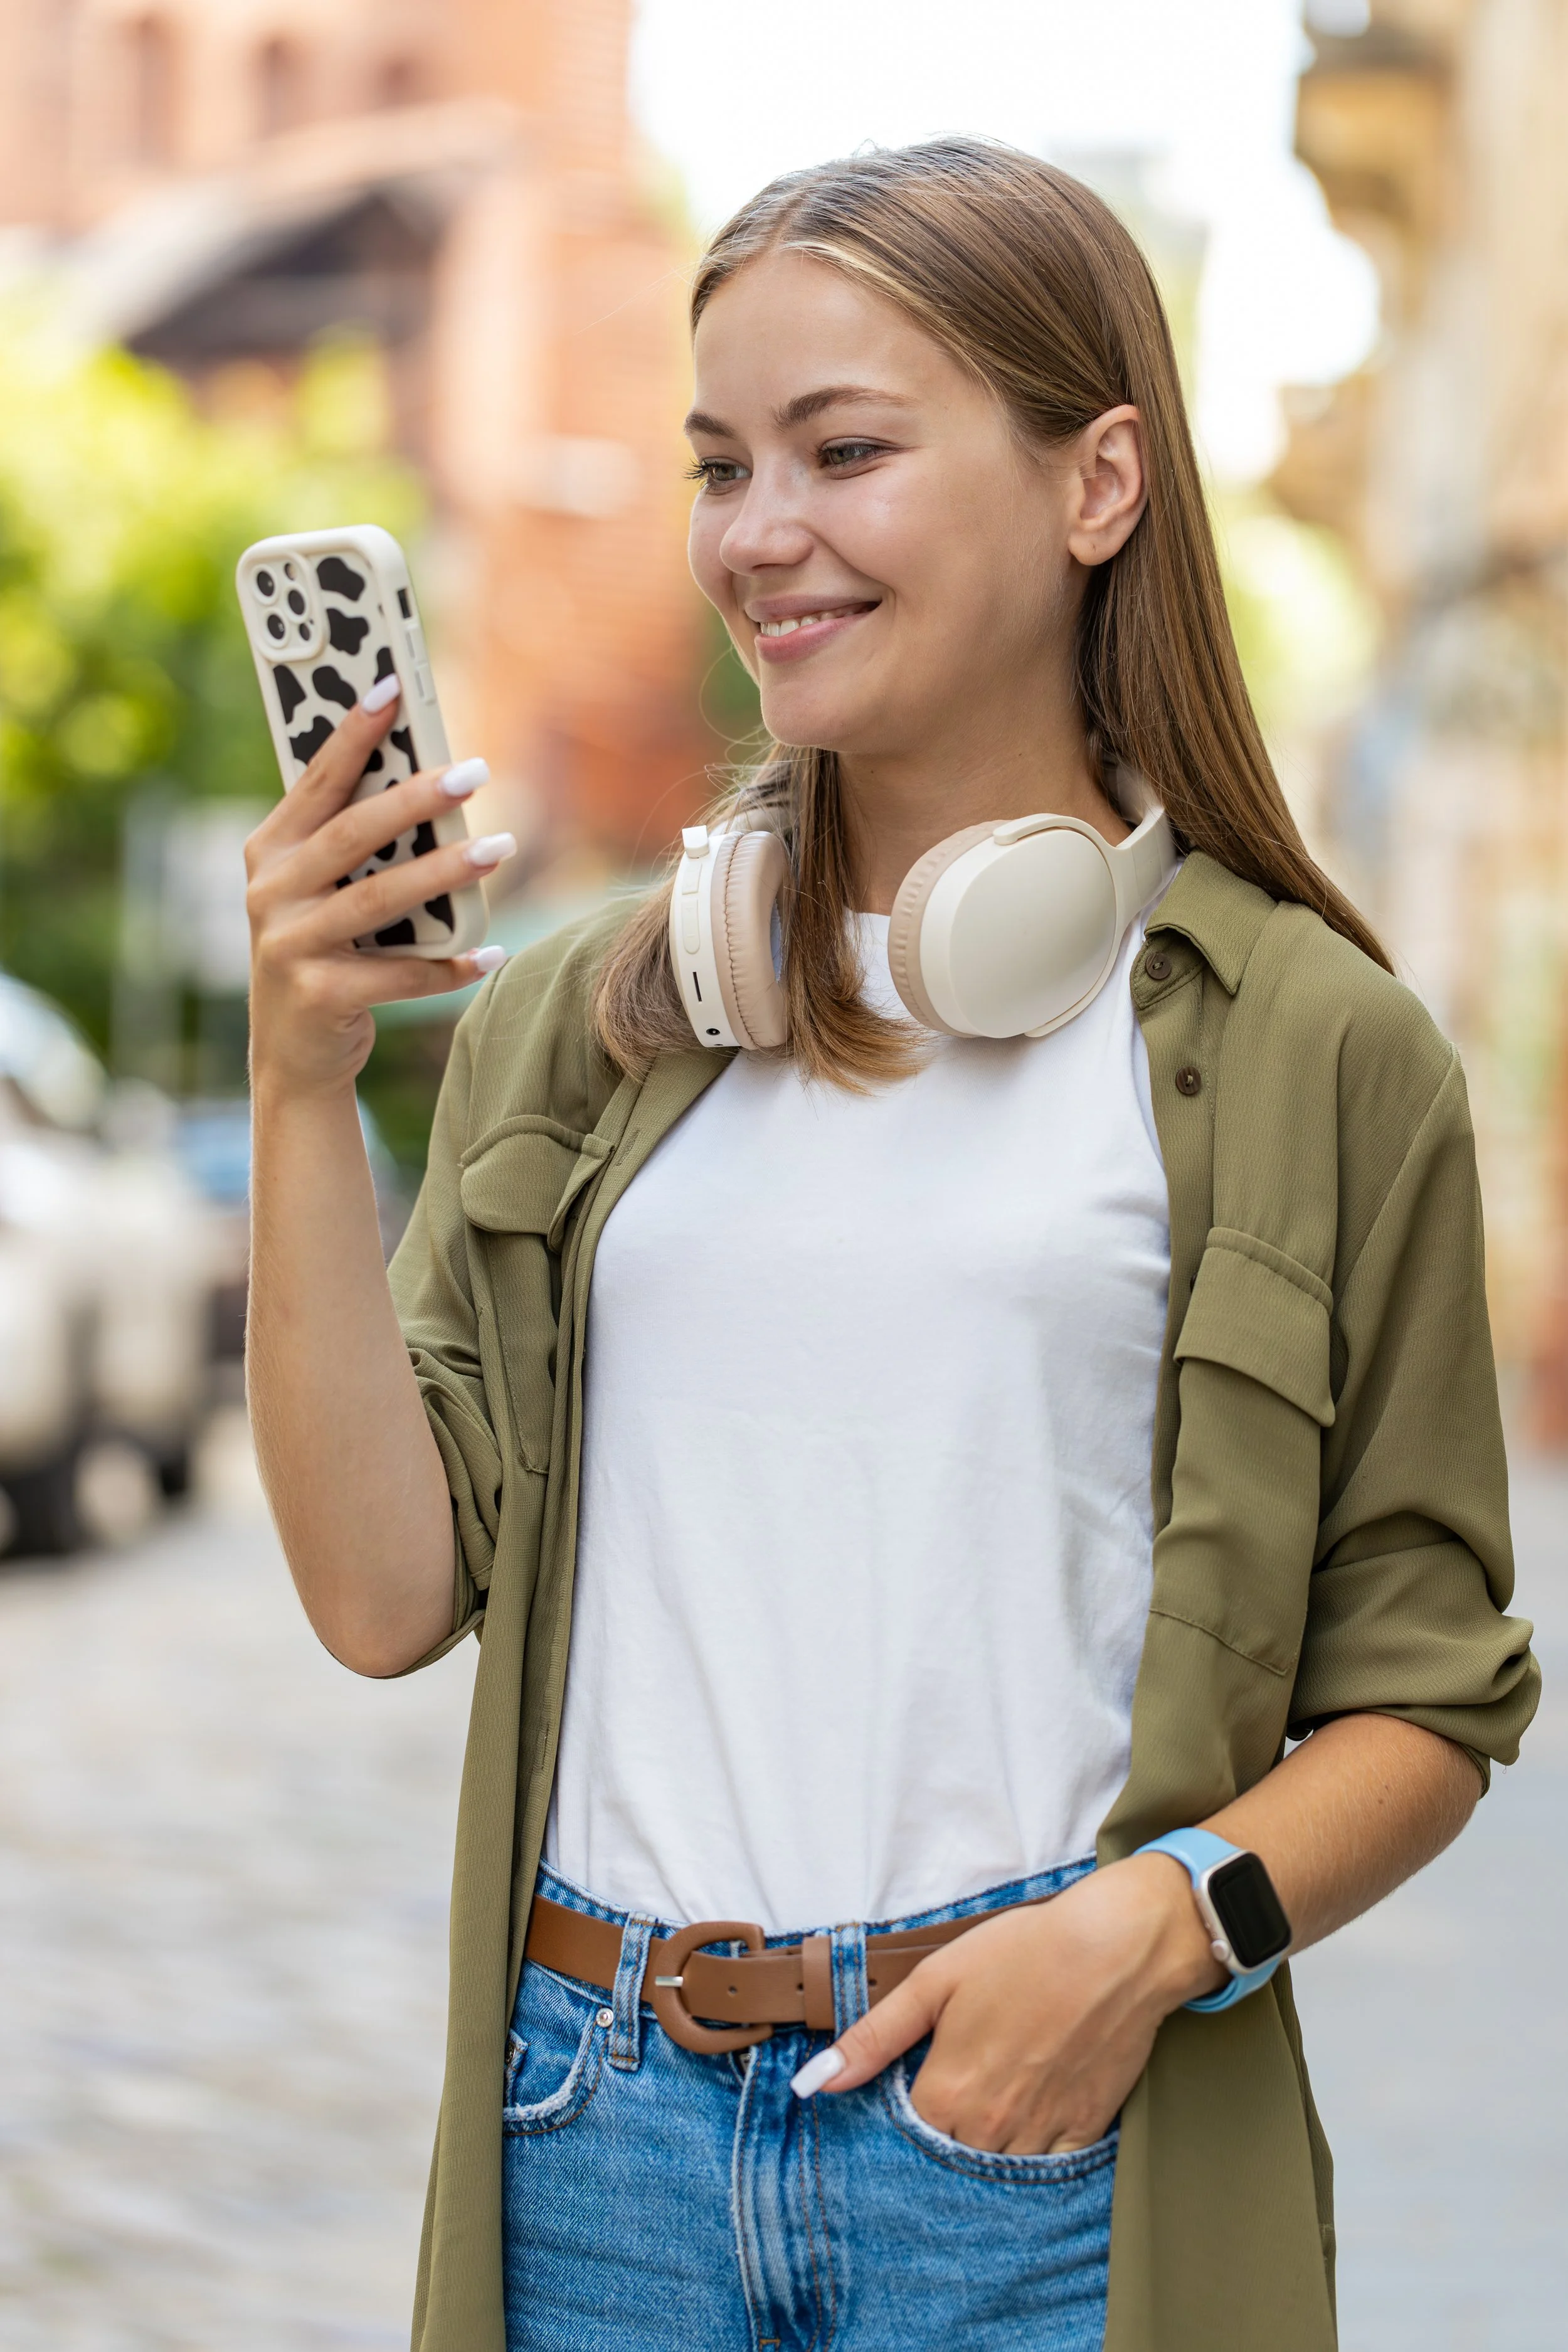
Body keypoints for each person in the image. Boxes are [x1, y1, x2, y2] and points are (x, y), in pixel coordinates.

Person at [243, 140, 1539, 2352]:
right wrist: (289, 1080)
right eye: (720, 462)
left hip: (1037, 2147)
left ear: (1095, 482)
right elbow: (383, 1599)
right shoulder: (583, 1016)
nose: (761, 533)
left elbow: (1422, 1690)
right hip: (600, 2135)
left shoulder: (1319, 1054)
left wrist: (1138, 1941)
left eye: (845, 450)